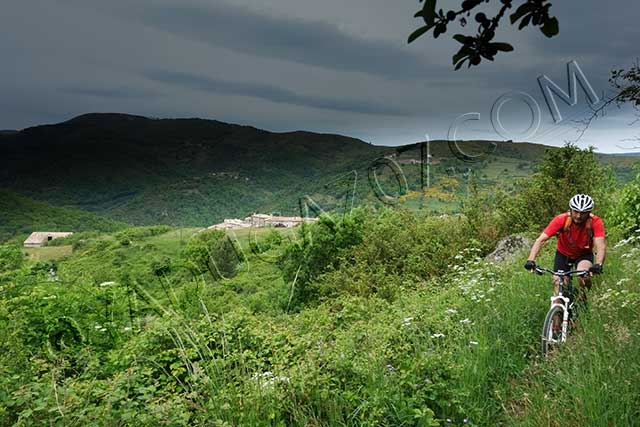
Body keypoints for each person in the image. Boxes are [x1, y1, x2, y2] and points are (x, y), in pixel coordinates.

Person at [524, 194, 606, 305]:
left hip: (583, 255)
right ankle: (555, 321)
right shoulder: (561, 219)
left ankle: (584, 298)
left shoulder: (595, 222)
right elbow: (541, 240)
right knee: (559, 285)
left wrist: (598, 264)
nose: (578, 216)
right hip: (563, 254)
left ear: (589, 212)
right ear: (570, 210)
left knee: (583, 276)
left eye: (583, 213)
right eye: (575, 211)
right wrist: (530, 260)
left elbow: (600, 245)